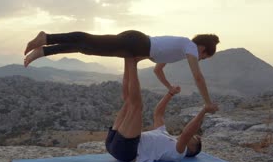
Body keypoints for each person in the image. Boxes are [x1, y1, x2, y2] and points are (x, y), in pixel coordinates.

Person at [23, 30, 219, 108]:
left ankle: (43, 51)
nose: (200, 59)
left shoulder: (179, 51)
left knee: (87, 47)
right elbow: (198, 77)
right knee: (89, 41)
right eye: (204, 56)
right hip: (134, 42)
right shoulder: (190, 46)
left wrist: (168, 87)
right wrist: (208, 103)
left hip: (133, 46)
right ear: (202, 49)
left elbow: (157, 71)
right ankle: (47, 38)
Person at [105, 57, 218, 162]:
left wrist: (204, 111)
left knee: (136, 106)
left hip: (126, 151)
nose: (194, 136)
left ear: (192, 149)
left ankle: (133, 62)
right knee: (129, 101)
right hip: (113, 143)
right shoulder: (163, 133)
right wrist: (170, 93)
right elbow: (158, 113)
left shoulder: (179, 153)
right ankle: (128, 59)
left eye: (195, 138)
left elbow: (186, 134)